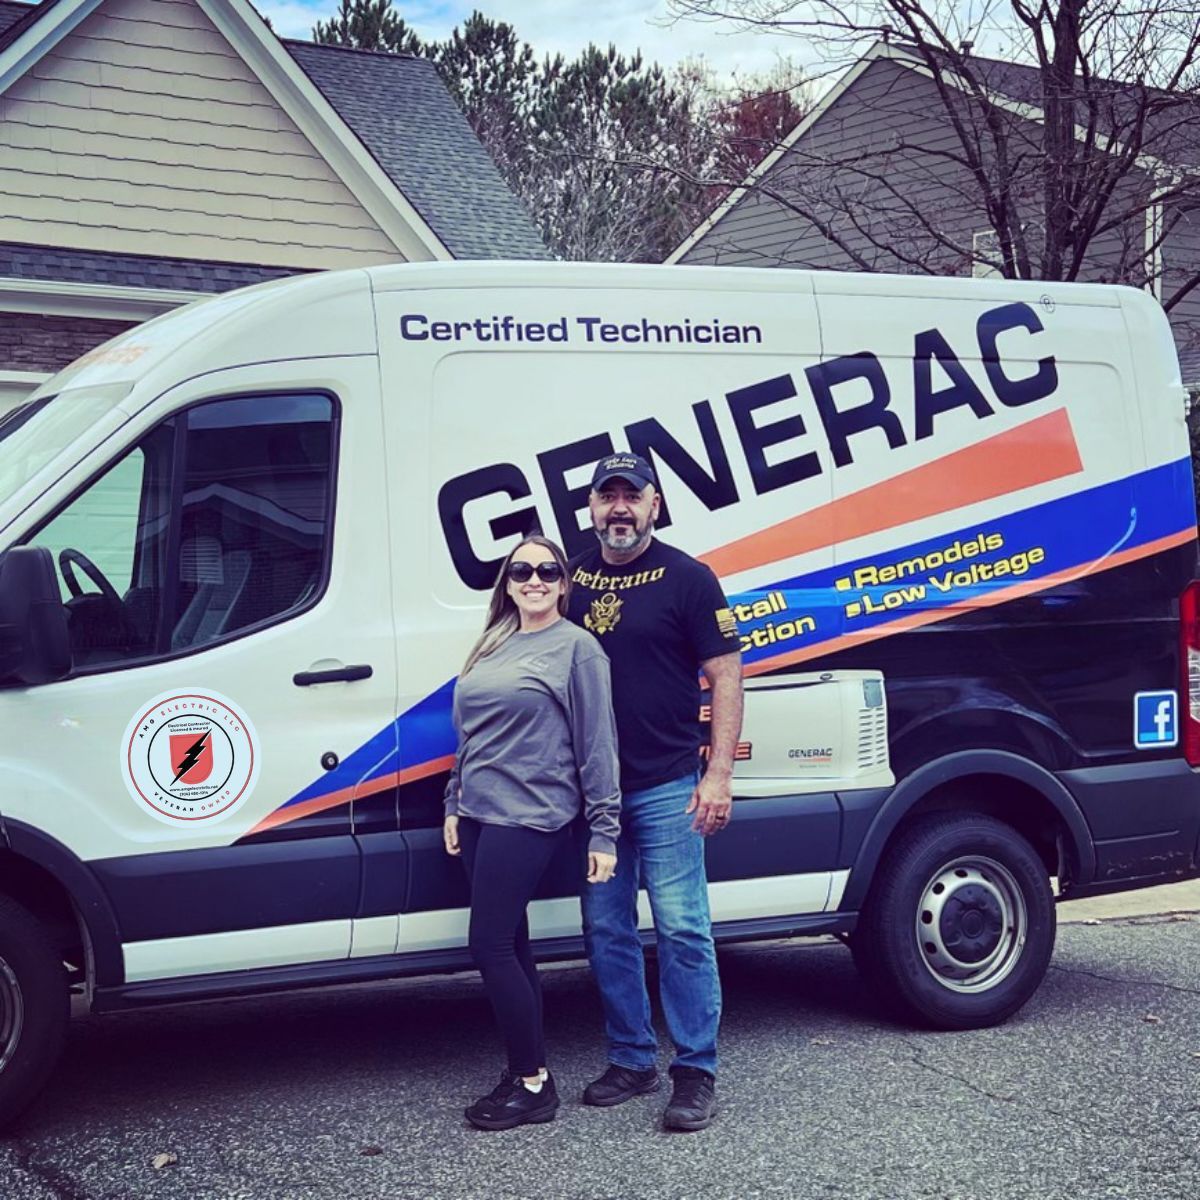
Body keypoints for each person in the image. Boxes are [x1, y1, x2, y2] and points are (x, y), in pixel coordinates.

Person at [568, 452, 743, 1133]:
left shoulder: (689, 579)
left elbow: (726, 676)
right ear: (590, 507)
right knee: (607, 929)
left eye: (631, 497)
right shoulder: (571, 578)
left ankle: (696, 1071)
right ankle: (632, 1059)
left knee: (681, 930)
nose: (619, 508)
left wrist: (718, 774)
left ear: (654, 504)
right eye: (607, 496)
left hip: (670, 786)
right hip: (597, 800)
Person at [443, 534, 620, 1131]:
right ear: (508, 581)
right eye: (522, 570)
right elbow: (468, 737)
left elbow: (598, 744)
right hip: (478, 815)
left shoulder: (578, 649)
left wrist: (603, 831)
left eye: (548, 570)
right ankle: (528, 1069)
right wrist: (452, 801)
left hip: (533, 813)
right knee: (513, 946)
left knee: (488, 945)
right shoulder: (492, 643)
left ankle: (533, 1084)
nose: (534, 579)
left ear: (564, 584)